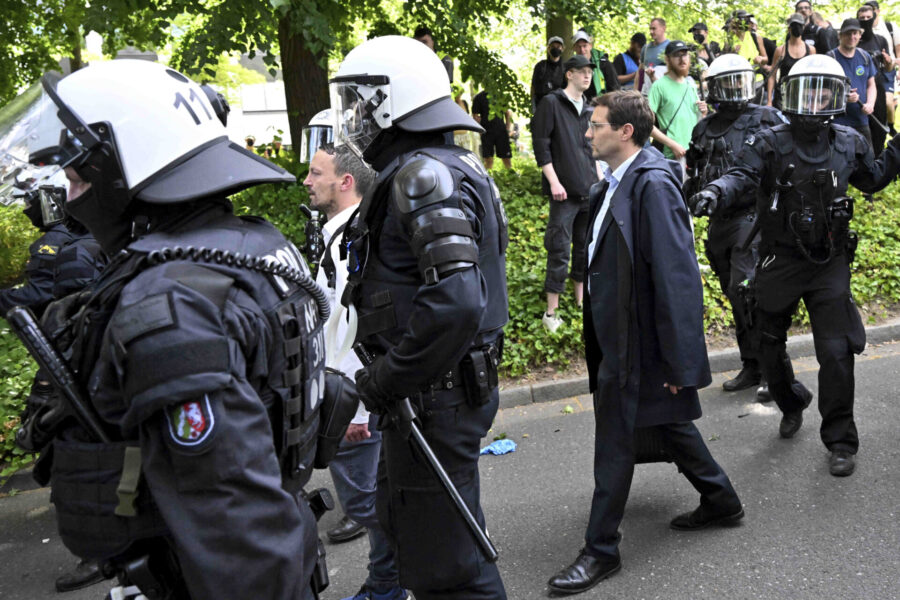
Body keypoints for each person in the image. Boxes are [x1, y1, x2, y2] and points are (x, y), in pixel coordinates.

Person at [3, 59, 335, 599]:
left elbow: (238, 526)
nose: (67, 197)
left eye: (77, 176)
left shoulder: (173, 301)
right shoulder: (248, 241)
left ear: (126, 167)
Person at [331, 35, 509, 599]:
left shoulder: (422, 176)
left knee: (450, 569)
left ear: (391, 102)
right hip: (433, 393)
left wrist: (387, 379)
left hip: (434, 396)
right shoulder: (441, 164)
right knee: (420, 540)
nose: (353, 119)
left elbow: (456, 302)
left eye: (359, 103)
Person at [547, 90, 743, 596]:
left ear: (625, 132)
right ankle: (721, 500)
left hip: (640, 344)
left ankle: (600, 550)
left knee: (614, 440)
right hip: (620, 338)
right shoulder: (612, 182)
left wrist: (681, 365)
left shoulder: (653, 185)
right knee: (669, 425)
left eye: (595, 126)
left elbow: (678, 278)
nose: (587, 133)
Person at [689, 54, 900, 478]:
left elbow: (873, 178)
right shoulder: (768, 141)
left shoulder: (849, 141)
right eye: (808, 91)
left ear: (838, 97)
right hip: (779, 258)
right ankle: (791, 400)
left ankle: (840, 440)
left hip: (829, 261)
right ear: (790, 96)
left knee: (837, 354)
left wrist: (896, 151)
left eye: (825, 92)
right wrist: (714, 191)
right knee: (768, 345)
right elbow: (740, 176)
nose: (815, 102)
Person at [303, 143, 408, 600]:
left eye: (315, 173)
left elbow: (352, 327)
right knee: (376, 499)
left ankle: (395, 586)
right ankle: (388, 583)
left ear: (345, 182)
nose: (306, 181)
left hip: (350, 397)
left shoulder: (351, 240)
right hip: (351, 391)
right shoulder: (342, 232)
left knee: (371, 502)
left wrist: (355, 410)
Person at [685, 55, 785, 397]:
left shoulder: (767, 118)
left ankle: (774, 371)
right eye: (726, 82)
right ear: (713, 88)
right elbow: (694, 172)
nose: (734, 89)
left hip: (753, 219)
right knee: (734, 294)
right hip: (719, 221)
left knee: (749, 291)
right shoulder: (703, 127)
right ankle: (752, 364)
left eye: (738, 80)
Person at [533, 54, 599, 332]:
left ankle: (581, 300)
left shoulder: (590, 108)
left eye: (590, 72)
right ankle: (552, 311)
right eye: (582, 71)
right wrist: (554, 182)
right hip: (563, 194)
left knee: (584, 249)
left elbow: (593, 148)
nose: (587, 76)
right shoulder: (551, 103)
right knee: (558, 249)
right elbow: (541, 145)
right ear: (569, 74)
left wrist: (599, 180)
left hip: (589, 191)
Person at [0, 178, 103, 320]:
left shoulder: (52, 241)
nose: (25, 209)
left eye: (28, 203)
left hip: (73, 322)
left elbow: (38, 295)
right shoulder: (83, 231)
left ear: (46, 205)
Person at [649, 41, 708, 162]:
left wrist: (704, 113)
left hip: (693, 153)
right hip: (673, 156)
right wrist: (672, 145)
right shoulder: (659, 86)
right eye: (677, 55)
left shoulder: (690, 85)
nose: (682, 59)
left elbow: (696, 122)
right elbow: (646, 125)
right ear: (668, 59)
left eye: (685, 54)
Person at [828, 19, 877, 151]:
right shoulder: (831, 58)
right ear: (840, 35)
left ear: (860, 35)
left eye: (855, 33)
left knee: (867, 161)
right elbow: (824, 91)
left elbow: (871, 84)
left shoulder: (864, 56)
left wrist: (870, 104)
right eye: (848, 33)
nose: (852, 37)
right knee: (840, 162)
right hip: (838, 122)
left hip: (861, 120)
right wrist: (843, 98)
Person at [857, 4, 893, 155]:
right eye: (862, 18)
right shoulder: (854, 39)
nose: (865, 20)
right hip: (858, 88)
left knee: (878, 128)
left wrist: (888, 61)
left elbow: (889, 68)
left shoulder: (881, 40)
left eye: (868, 17)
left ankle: (878, 160)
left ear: (874, 18)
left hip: (878, 87)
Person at [768, 14, 815, 110]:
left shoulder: (810, 50)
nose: (797, 28)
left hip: (804, 98)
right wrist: (769, 101)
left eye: (799, 25)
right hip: (783, 98)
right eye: (794, 25)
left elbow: (813, 77)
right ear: (789, 28)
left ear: (803, 27)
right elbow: (772, 76)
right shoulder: (781, 50)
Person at [866, 0, 900, 132]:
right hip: (870, 70)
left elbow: (898, 50)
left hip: (887, 69)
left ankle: (890, 126)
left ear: (878, 11)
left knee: (888, 103)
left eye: (873, 9)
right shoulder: (862, 29)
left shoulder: (889, 27)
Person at [572, 29, 620, 102]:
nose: (582, 50)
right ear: (574, 48)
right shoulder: (571, 66)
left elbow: (614, 88)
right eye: (579, 47)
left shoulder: (603, 63)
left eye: (585, 46)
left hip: (601, 104)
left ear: (590, 46)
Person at [472, 90, 514, 169]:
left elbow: (507, 113)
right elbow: (475, 116)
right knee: (488, 158)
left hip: (501, 131)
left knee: (506, 157)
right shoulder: (479, 97)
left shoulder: (500, 95)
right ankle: (489, 177)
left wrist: (508, 127)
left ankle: (510, 176)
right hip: (486, 132)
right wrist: (480, 130)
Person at [531, 36, 566, 111]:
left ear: (563, 48)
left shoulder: (566, 68)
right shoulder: (540, 66)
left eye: (558, 46)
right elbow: (533, 87)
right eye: (552, 46)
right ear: (548, 48)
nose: (555, 48)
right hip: (542, 107)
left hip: (560, 108)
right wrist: (534, 107)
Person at [639, 18, 670, 94]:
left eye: (654, 29)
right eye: (650, 29)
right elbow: (640, 71)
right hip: (647, 93)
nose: (651, 32)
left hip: (664, 93)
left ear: (664, 28)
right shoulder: (645, 48)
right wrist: (636, 91)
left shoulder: (671, 47)